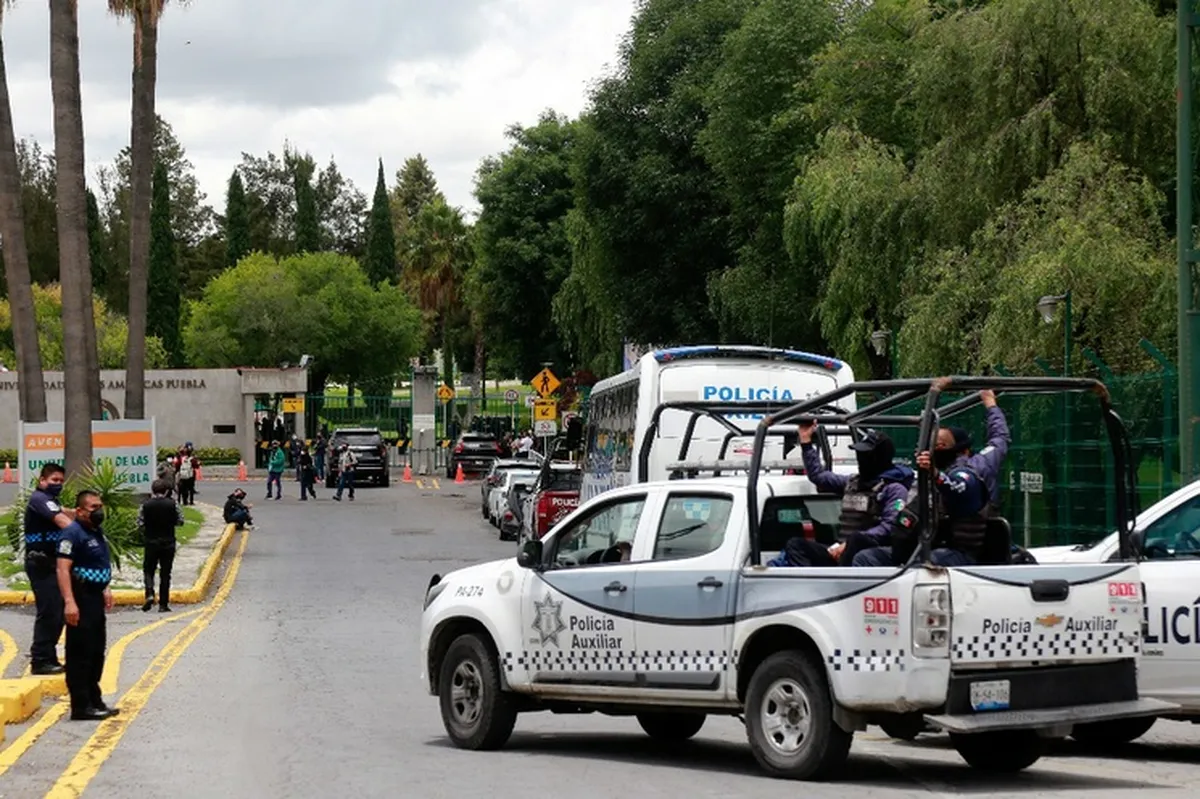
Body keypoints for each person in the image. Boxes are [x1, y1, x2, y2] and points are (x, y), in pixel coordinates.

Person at [769, 424, 914, 568]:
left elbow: (889, 527)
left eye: (865, 455)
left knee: (857, 539)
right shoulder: (852, 482)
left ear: (879, 457)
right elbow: (819, 476)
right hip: (839, 550)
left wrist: (850, 543)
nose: (861, 458)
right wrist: (806, 442)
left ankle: (842, 584)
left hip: (866, 555)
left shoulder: (894, 489)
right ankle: (811, 586)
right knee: (796, 545)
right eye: (859, 454)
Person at [915, 388, 1011, 566]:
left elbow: (955, 486)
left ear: (963, 450)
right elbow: (1000, 437)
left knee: (919, 563)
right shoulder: (985, 462)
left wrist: (934, 473)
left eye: (941, 445)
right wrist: (991, 404)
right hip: (942, 544)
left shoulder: (968, 471)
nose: (934, 449)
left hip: (965, 549)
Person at [56, 490, 118, 721]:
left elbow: (99, 561)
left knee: (96, 651)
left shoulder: (95, 531)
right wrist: (70, 602)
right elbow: (63, 569)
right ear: (80, 511)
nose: (99, 511)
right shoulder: (71, 534)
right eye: (93, 507)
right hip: (80, 598)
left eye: (99, 506)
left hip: (95, 598)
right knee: (80, 653)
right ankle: (81, 705)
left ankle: (95, 699)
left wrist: (105, 587)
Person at [24, 463, 74, 675]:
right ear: (42, 481)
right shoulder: (39, 499)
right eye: (54, 480)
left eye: (61, 481)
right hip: (41, 564)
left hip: (52, 563)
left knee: (58, 610)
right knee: (50, 611)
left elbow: (66, 512)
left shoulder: (50, 501)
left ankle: (48, 656)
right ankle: (40, 659)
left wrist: (85, 512)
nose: (58, 485)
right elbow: (64, 522)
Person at [139, 479, 184, 613]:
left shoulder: (145, 505)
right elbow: (180, 521)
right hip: (168, 542)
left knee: (148, 569)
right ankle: (163, 604)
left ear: (153, 491)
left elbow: (140, 523)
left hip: (151, 541)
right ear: (166, 491)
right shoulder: (173, 504)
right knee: (165, 573)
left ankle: (150, 593)